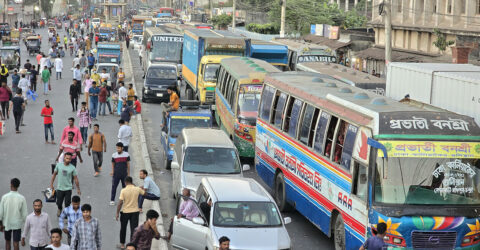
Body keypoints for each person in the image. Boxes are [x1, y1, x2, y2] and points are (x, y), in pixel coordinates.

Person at [116, 176, 145, 249]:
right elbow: (145, 194)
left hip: (125, 212)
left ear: (125, 182)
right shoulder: (137, 189)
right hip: (135, 212)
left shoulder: (123, 190)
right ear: (132, 182)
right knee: (134, 229)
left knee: (123, 228)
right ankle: (132, 245)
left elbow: (120, 202)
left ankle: (122, 245)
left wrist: (117, 213)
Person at [0, 178, 28, 250]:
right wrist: (26, 225)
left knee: (7, 242)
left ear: (11, 184)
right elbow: (24, 214)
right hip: (17, 224)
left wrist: (0, 224)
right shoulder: (22, 198)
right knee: (16, 243)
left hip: (7, 223)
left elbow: (1, 212)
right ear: (18, 186)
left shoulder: (4, 197)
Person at [50, 152, 81, 217]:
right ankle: (59, 208)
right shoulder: (58, 165)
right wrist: (51, 184)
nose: (68, 160)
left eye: (69, 159)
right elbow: (54, 174)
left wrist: (78, 188)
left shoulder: (72, 168)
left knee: (67, 203)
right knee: (59, 202)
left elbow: (76, 179)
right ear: (64, 157)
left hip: (68, 189)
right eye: (67, 158)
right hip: (60, 188)